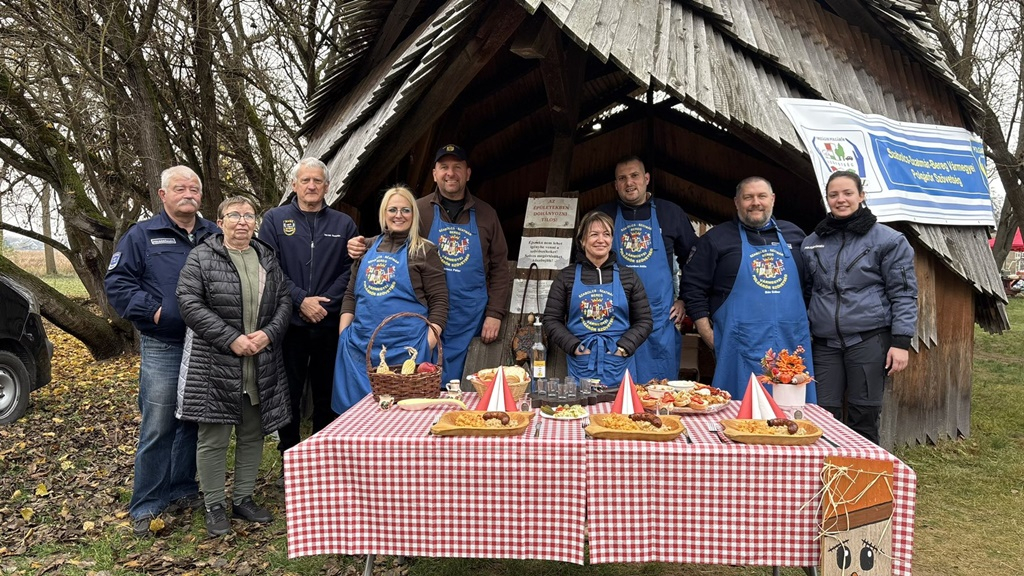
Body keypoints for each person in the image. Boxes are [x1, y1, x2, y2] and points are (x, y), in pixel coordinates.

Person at [105, 166, 218, 536]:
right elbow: (118, 284)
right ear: (163, 194)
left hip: (205, 344)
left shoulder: (213, 234)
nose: (188, 193)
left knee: (192, 420)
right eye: (180, 188)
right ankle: (148, 503)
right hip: (164, 344)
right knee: (158, 424)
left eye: (194, 188)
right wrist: (154, 311)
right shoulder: (142, 235)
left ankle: (183, 488)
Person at [175, 196, 292, 536]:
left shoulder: (267, 257)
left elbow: (284, 300)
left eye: (249, 215)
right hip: (215, 362)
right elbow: (188, 302)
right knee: (213, 438)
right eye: (234, 215)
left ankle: (242, 499)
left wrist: (268, 335)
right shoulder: (202, 256)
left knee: (253, 433)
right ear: (220, 220)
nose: (242, 221)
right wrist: (231, 339)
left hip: (260, 361)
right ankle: (213, 505)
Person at [348, 145, 509, 383]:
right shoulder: (419, 210)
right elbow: (393, 236)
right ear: (434, 174)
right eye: (444, 167)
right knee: (422, 379)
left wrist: (494, 313)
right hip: (425, 315)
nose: (450, 173)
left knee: (465, 382)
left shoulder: (487, 214)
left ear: (468, 173)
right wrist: (363, 244)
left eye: (457, 167)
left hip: (470, 317)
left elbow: (500, 268)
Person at [803, 170, 918, 444]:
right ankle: (825, 477)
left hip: (868, 339)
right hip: (824, 344)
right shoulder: (811, 243)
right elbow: (808, 291)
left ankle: (863, 482)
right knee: (820, 416)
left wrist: (901, 342)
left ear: (861, 196)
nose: (840, 199)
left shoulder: (888, 240)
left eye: (847, 193)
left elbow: (903, 293)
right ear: (827, 199)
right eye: (834, 195)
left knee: (863, 415)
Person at [681, 177, 816, 401]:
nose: (755, 202)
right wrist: (709, 335)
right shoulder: (717, 239)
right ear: (736, 202)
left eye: (762, 196)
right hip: (738, 346)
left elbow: (812, 286)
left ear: (772, 199)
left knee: (792, 414)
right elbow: (693, 288)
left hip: (791, 343)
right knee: (740, 414)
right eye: (748, 197)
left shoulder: (796, 236)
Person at [258, 159, 357, 465]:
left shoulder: (344, 224)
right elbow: (268, 266)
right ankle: (289, 456)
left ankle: (320, 458)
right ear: (294, 185)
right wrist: (301, 299)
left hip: (328, 322)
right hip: (289, 323)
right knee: (289, 391)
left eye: (318, 181)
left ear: (327, 186)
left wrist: (324, 301)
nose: (312, 186)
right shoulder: (274, 220)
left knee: (327, 393)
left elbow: (351, 270)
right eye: (305, 181)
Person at [332, 186, 449, 413]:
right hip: (360, 350)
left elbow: (440, 301)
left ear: (413, 215)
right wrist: (344, 335)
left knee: (406, 419)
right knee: (355, 420)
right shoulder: (366, 248)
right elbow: (350, 295)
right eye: (392, 209)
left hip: (407, 351)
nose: (399, 215)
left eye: (406, 210)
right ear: (383, 213)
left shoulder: (425, 251)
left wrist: (427, 343)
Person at [596, 156, 697, 382]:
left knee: (657, 392)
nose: (629, 183)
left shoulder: (670, 213)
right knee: (615, 390)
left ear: (646, 179)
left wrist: (684, 299)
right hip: (614, 318)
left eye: (634, 176)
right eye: (622, 178)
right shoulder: (603, 215)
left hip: (659, 318)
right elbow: (586, 261)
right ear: (615, 185)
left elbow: (692, 259)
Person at [542, 211, 653, 384]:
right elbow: (551, 320)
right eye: (594, 234)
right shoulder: (566, 277)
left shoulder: (628, 277)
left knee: (621, 410)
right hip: (582, 361)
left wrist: (623, 348)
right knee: (580, 410)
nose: (601, 240)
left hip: (618, 361)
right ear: (582, 241)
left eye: (606, 234)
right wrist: (574, 347)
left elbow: (644, 320)